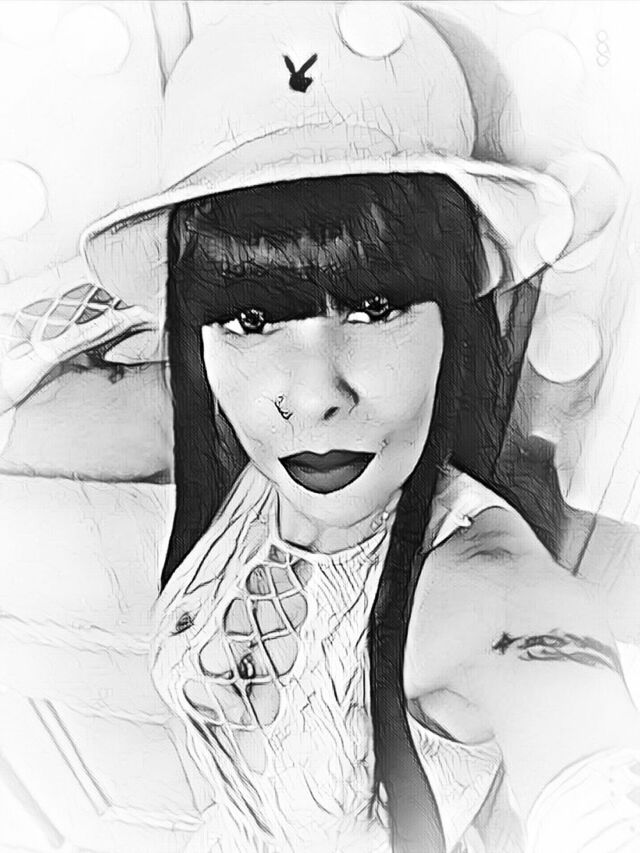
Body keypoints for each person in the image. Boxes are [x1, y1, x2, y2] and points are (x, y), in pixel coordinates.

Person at [7, 3, 638, 852]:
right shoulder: (229, 438)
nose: (311, 397)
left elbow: (594, 778)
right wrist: (171, 282)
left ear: (455, 317)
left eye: (375, 306)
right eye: (253, 318)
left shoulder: (481, 591)